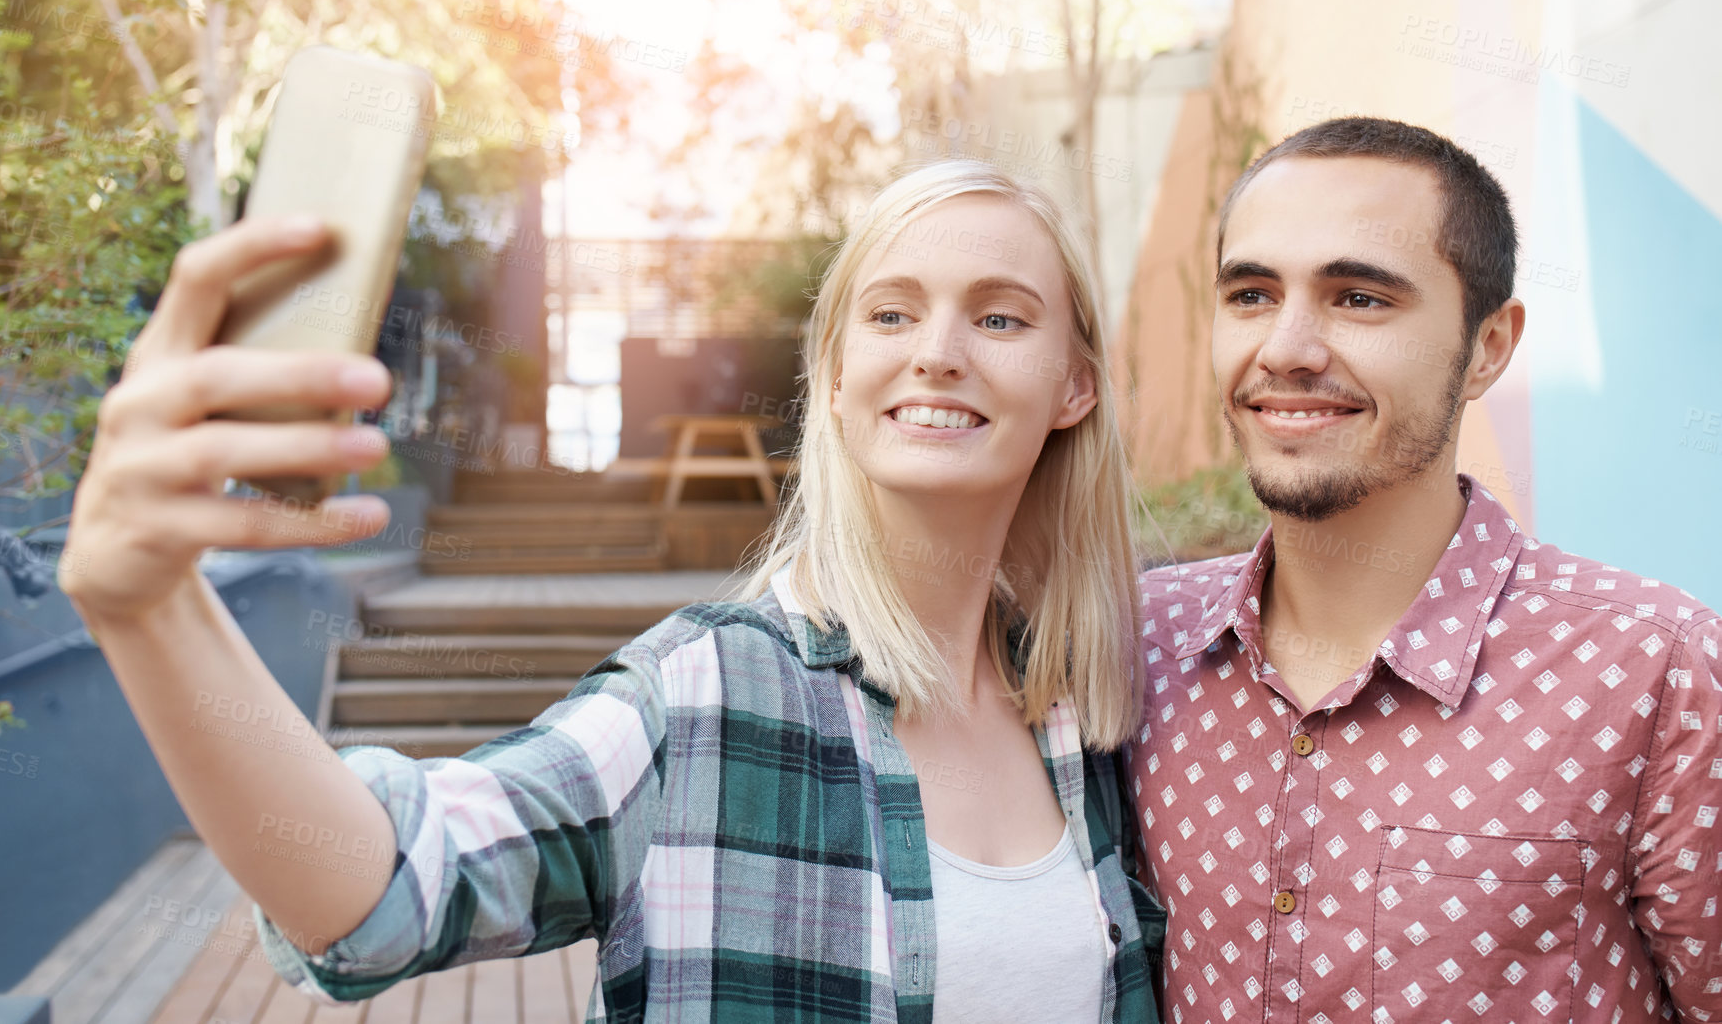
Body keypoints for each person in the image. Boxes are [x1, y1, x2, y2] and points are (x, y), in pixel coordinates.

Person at [59, 158, 1166, 1023]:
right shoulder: (704, 695)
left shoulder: (1098, 719)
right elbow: (381, 887)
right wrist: (149, 609)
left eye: (1001, 316)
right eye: (890, 313)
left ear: (1074, 385)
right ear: (834, 378)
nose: (937, 350)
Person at [1128, 117, 1722, 1020]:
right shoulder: (1136, 644)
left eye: (1358, 298)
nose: (1285, 348)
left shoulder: (1658, 670)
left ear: (1487, 346)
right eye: (1250, 294)